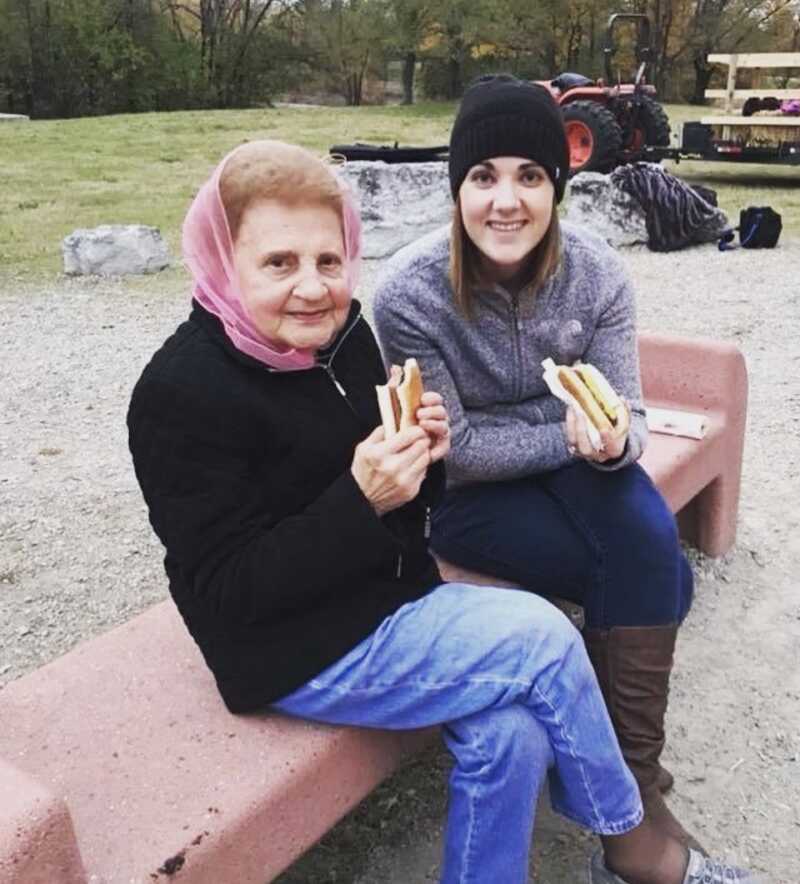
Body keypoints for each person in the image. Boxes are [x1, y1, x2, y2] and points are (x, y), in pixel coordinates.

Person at [127, 139, 759, 884]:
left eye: (329, 261)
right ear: (221, 262)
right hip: (293, 649)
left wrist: (423, 463)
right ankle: (633, 845)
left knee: (513, 734)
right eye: (278, 263)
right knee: (542, 638)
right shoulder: (180, 394)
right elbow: (229, 593)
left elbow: (407, 514)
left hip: (387, 599)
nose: (313, 287)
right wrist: (361, 500)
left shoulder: (344, 339)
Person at [373, 74, 720, 861]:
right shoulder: (408, 297)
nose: (507, 200)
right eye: (483, 176)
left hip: (578, 477)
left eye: (530, 176)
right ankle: (630, 826)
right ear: (456, 189)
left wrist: (611, 441)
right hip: (467, 504)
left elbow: (627, 418)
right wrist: (566, 434)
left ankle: (633, 784)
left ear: (557, 185)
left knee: (639, 528)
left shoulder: (597, 274)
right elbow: (455, 448)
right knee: (663, 576)